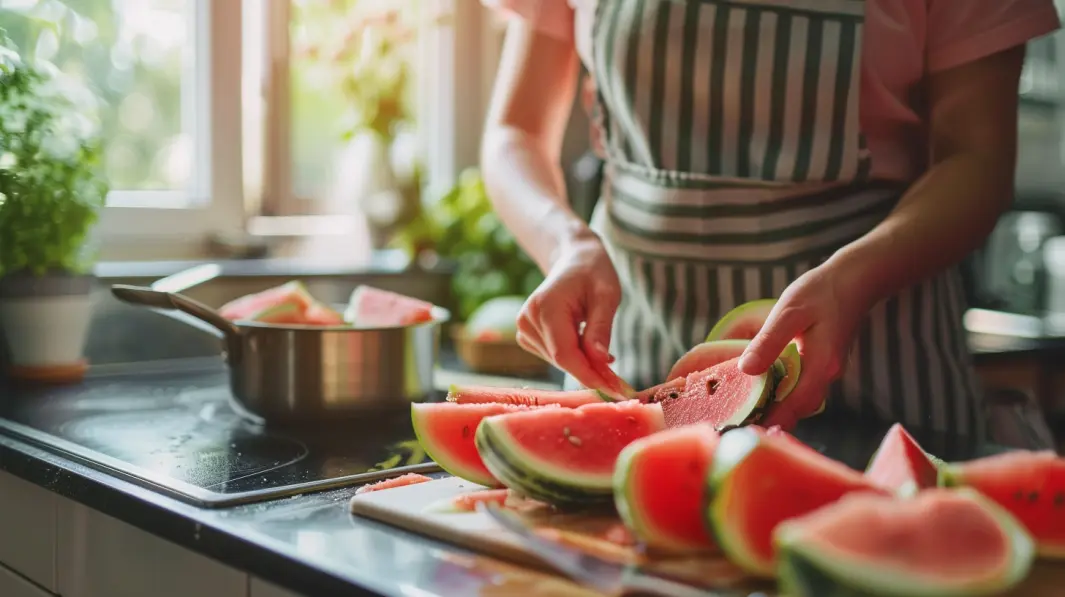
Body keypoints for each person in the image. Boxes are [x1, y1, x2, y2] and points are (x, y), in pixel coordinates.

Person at [478, 0, 1062, 438]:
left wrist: (853, 279)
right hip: (629, 363)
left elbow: (978, 160)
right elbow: (516, 132)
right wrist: (566, 246)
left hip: (880, 370)